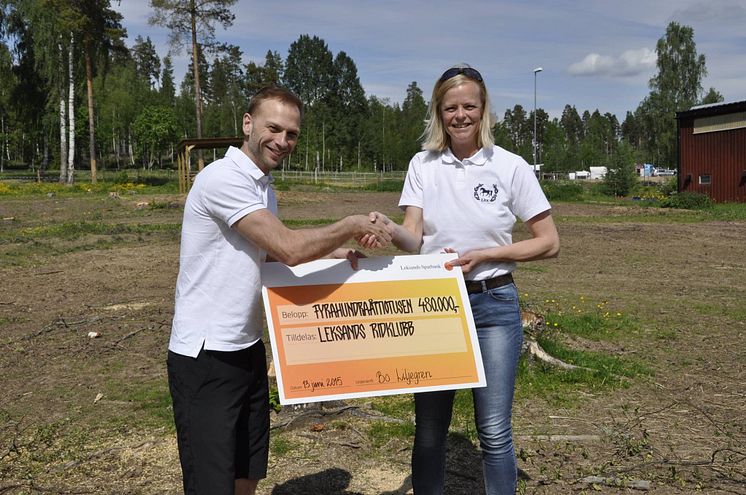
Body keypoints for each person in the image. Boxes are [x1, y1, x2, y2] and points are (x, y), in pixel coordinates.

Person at [167, 86, 393, 495]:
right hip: (205, 355)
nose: (283, 141)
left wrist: (339, 254)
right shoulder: (222, 178)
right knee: (211, 482)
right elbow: (288, 248)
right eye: (274, 128)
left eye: (292, 134)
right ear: (247, 123)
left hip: (246, 346)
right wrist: (350, 223)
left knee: (246, 472)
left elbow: (268, 255)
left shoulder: (263, 187)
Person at [364, 65, 559, 494]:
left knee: (492, 430)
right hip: (435, 306)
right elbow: (413, 238)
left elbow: (548, 242)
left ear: (484, 109)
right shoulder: (423, 164)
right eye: (450, 107)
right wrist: (387, 228)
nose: (460, 115)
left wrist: (489, 254)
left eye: (469, 105)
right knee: (430, 428)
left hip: (494, 304)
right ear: (439, 112)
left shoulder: (511, 166)